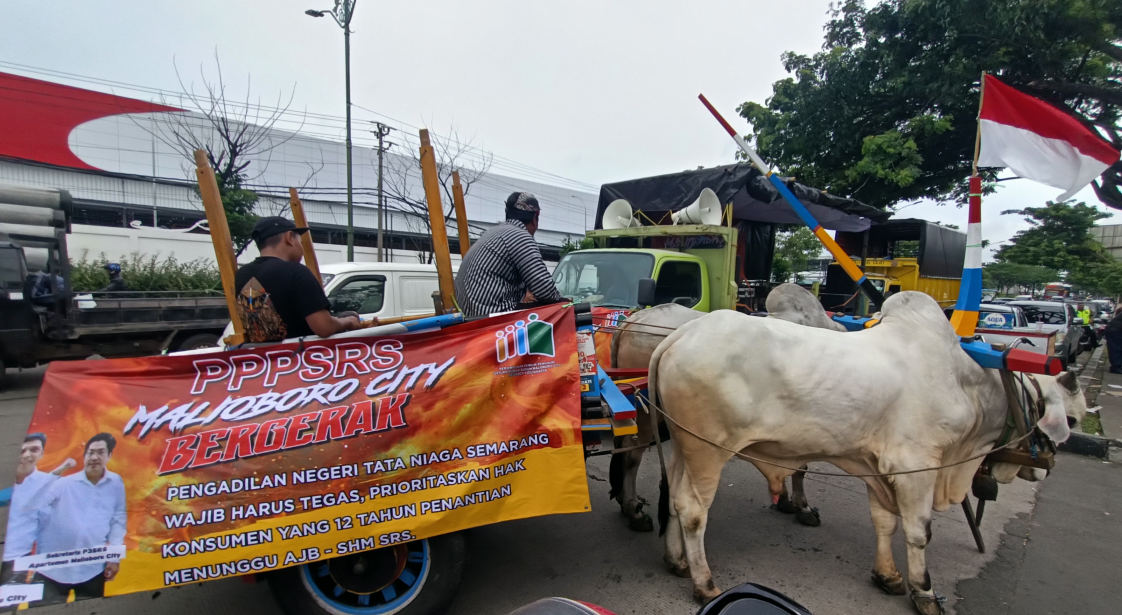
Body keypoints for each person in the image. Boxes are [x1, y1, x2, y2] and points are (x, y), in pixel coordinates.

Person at [33, 433, 126, 603]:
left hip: (91, 570)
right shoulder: (64, 484)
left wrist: (114, 557)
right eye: (90, 453)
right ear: (84, 456)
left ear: (109, 456)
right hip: (51, 571)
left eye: (100, 452)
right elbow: (34, 502)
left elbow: (118, 519)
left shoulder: (116, 483)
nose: (94, 457)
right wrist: (57, 471)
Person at [235, 216, 360, 342]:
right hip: (299, 357)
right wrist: (347, 322)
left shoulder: (242, 275)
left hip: (262, 358)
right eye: (299, 241)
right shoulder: (296, 271)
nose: (301, 247)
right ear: (289, 238)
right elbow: (324, 327)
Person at [454, 192, 563, 317]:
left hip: (468, 314)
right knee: (561, 308)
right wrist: (565, 303)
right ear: (535, 218)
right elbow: (546, 290)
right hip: (493, 317)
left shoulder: (493, 232)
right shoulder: (520, 236)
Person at [1, 434, 74, 585]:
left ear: (41, 453)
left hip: (20, 558)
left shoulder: (51, 483)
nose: (27, 455)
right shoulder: (12, 486)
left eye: (34, 450)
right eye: (23, 450)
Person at [1106, 306, 1122, 374]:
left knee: (1117, 348)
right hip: (1115, 330)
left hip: (1115, 329)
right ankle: (1116, 367)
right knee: (1116, 348)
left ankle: (1117, 366)